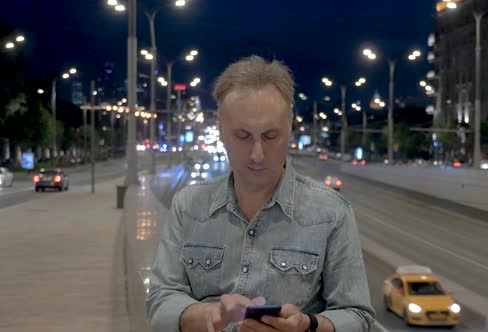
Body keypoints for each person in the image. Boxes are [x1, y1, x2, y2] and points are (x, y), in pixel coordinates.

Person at [146, 55, 375, 332]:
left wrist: (310, 326)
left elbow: (358, 316)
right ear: (220, 128)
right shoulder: (188, 206)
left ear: (290, 127)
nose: (257, 154)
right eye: (242, 136)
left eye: (270, 136)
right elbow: (160, 303)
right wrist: (208, 315)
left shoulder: (332, 213)